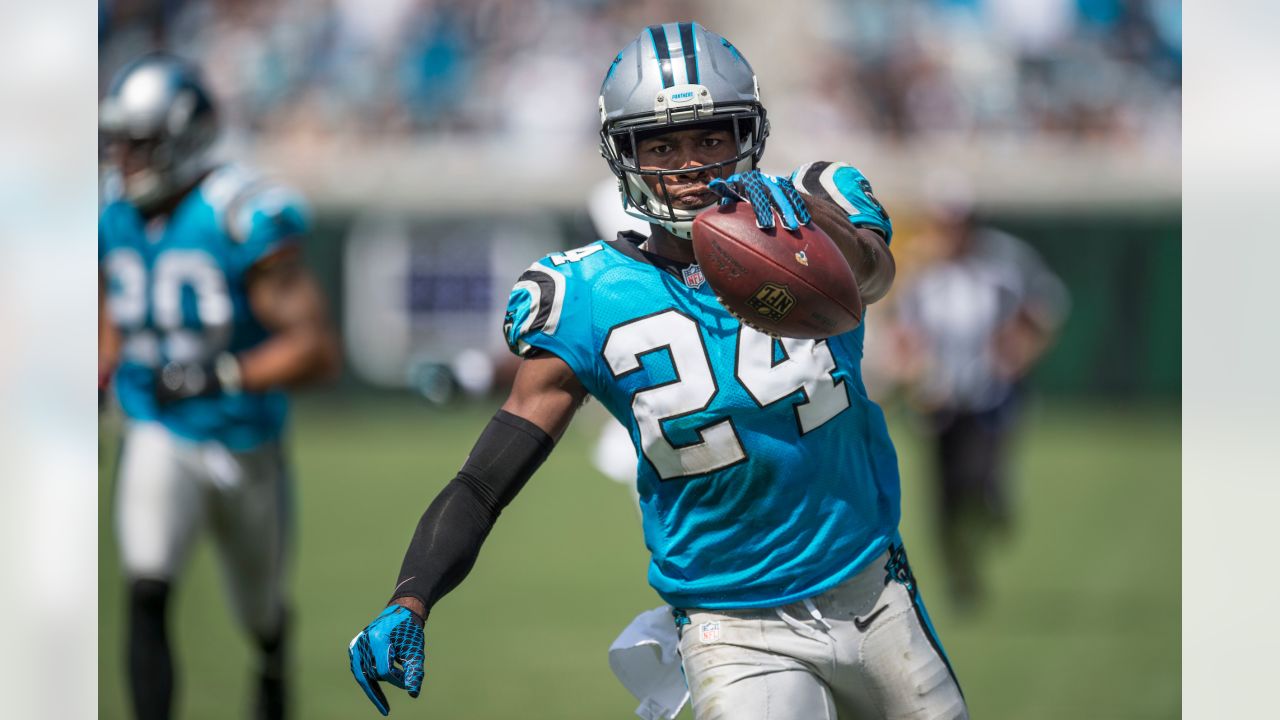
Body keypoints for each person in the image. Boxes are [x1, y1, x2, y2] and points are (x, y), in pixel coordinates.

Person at [348, 23, 967, 719]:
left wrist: (812, 222)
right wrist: (412, 597)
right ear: (625, 154)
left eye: (710, 137)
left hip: (872, 588)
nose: (691, 164)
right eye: (662, 145)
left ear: (748, 135)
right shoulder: (585, 296)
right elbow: (485, 478)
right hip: (733, 626)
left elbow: (875, 272)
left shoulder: (816, 202)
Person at [98, 53, 341, 720]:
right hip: (158, 426)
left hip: (244, 437)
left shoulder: (238, 213)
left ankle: (271, 667)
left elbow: (317, 347)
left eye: (140, 143)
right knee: (147, 582)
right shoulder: (110, 214)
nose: (123, 158)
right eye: (118, 141)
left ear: (183, 138)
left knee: (259, 610)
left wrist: (222, 373)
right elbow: (108, 319)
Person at [887, 191, 1068, 611]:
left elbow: (1041, 314)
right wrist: (913, 372)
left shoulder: (1000, 269)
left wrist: (1016, 357)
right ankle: (960, 572)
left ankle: (994, 506)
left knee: (980, 476)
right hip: (940, 399)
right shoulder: (921, 277)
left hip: (989, 395)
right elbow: (903, 334)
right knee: (944, 494)